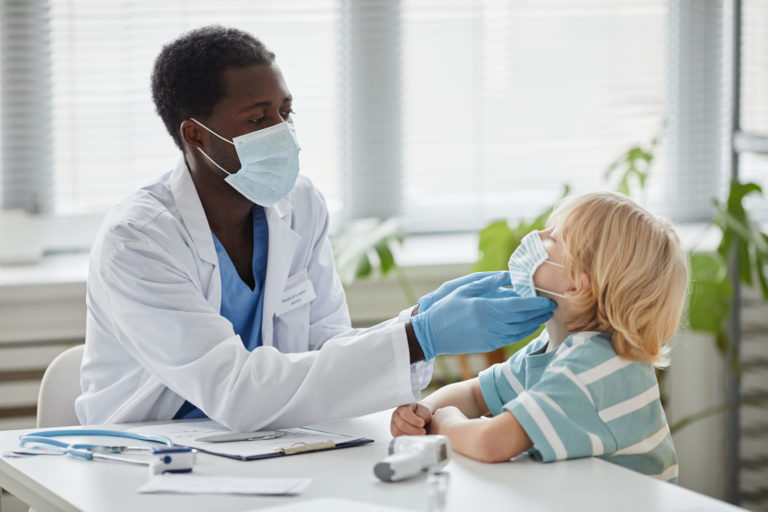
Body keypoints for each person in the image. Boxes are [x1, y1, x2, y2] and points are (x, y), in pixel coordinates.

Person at [75, 26, 555, 431]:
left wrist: (416, 319)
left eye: (286, 112)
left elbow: (326, 346)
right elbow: (236, 392)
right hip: (142, 459)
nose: (282, 130)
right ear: (197, 134)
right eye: (258, 118)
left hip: (265, 451)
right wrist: (417, 336)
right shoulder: (137, 242)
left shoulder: (298, 204)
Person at [390, 191, 688, 483]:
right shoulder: (555, 347)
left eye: (554, 237)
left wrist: (445, 422)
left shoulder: (595, 368)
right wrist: (425, 412)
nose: (537, 234)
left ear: (576, 286)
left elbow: (490, 443)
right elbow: (476, 394)